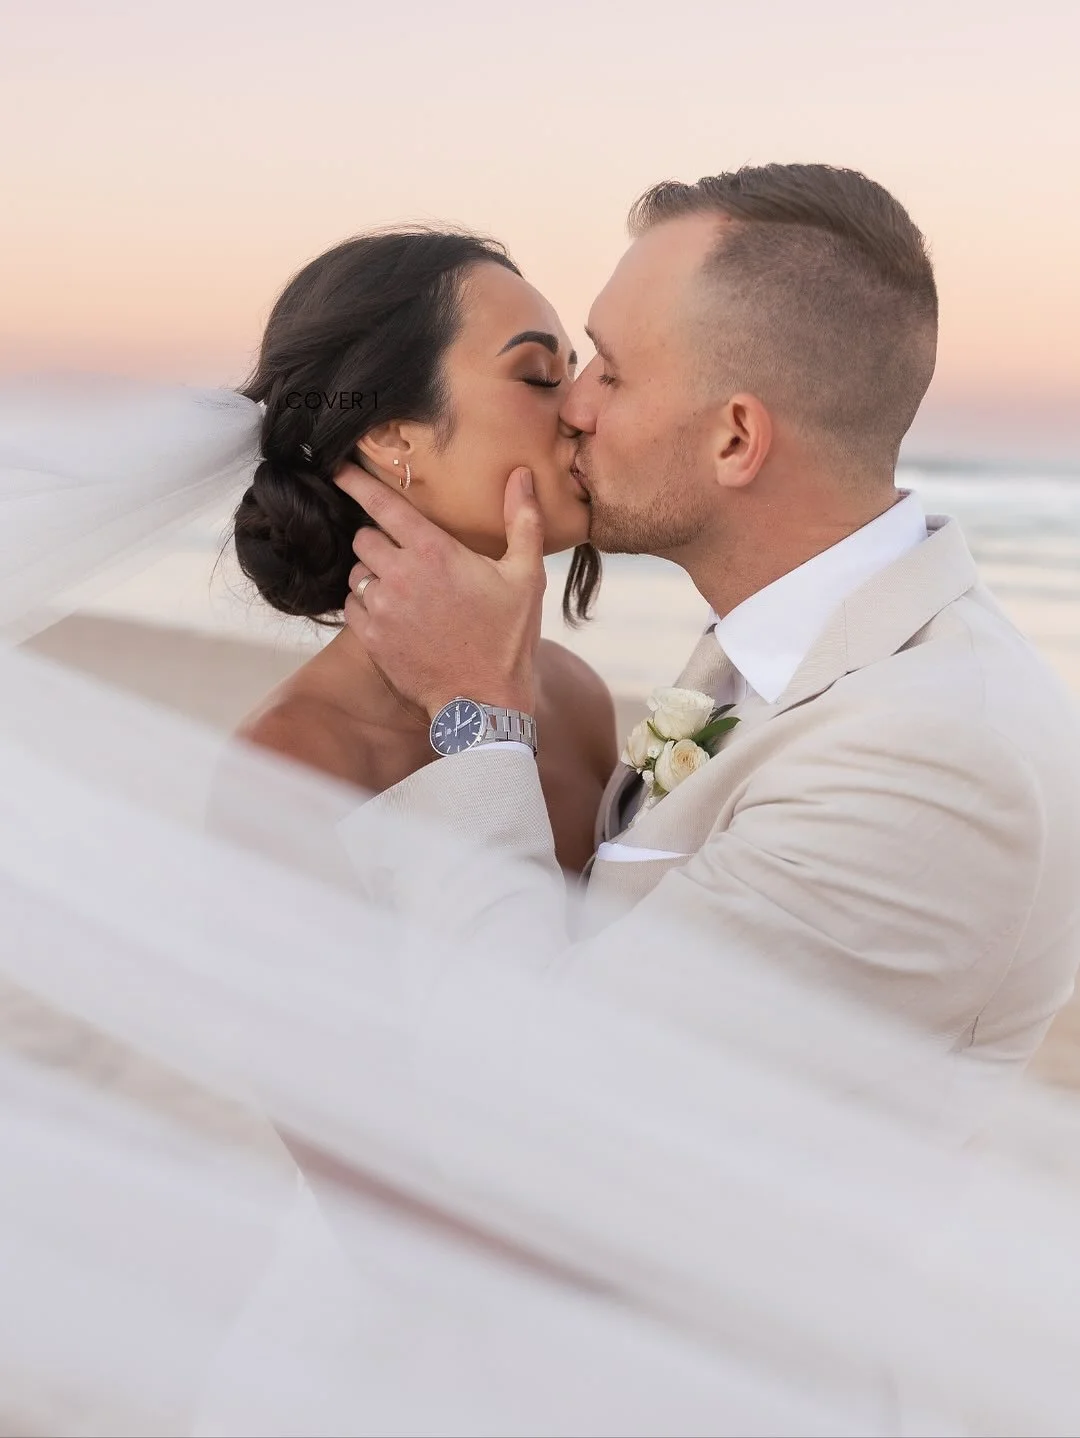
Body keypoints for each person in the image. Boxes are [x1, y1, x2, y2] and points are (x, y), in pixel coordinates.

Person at [332, 163, 1080, 1077]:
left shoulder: (934, 758)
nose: (573, 406)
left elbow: (543, 1098)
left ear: (736, 439)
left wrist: (473, 709)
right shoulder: (790, 651)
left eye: (611, 370)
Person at [229, 229, 617, 873]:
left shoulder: (575, 698)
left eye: (574, 372)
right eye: (540, 376)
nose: (581, 407)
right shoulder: (292, 759)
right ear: (390, 437)